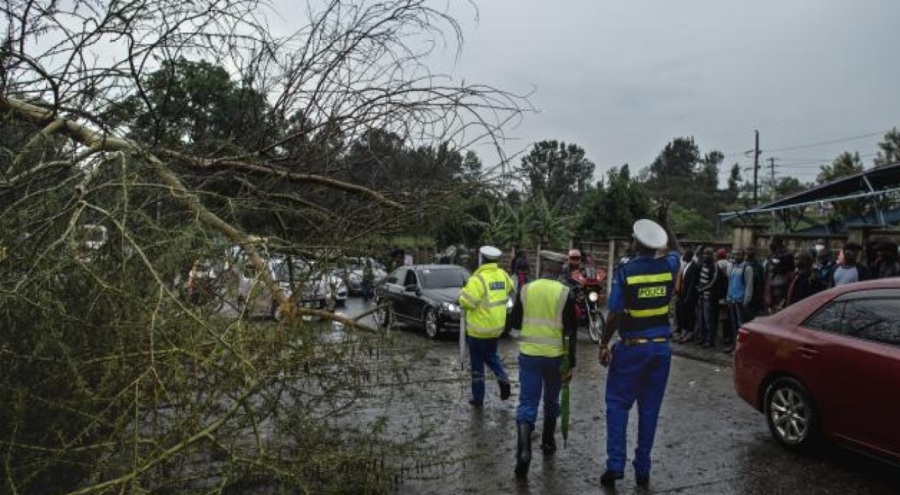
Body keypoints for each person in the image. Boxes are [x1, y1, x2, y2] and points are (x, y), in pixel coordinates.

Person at [598, 208, 681, 489]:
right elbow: (678, 252)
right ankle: (642, 470)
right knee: (649, 410)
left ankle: (615, 466)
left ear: (635, 243)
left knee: (618, 405)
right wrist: (665, 224)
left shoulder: (627, 271)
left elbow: (614, 313)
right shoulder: (668, 265)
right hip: (661, 349)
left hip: (632, 348)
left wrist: (603, 342)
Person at [508, 250, 577, 479]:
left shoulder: (527, 289)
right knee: (551, 401)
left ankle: (524, 453)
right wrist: (571, 363)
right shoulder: (566, 292)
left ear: (543, 267)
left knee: (527, 403)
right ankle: (548, 443)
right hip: (556, 357)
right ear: (560, 271)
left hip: (530, 355)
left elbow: (515, 321)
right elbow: (571, 331)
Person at [458, 245, 515, 407]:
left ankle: (478, 398)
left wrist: (462, 292)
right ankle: (502, 377)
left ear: (481, 259)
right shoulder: (503, 275)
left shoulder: (478, 279)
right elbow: (510, 288)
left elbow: (466, 302)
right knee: (491, 356)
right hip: (496, 328)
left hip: (478, 330)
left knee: (477, 365)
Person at [724, 248, 753, 354]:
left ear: (743, 255)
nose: (735, 256)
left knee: (741, 325)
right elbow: (730, 283)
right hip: (732, 299)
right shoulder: (733, 267)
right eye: (734, 254)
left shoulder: (747, 268)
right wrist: (728, 297)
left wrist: (746, 301)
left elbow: (749, 286)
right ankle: (734, 345)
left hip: (740, 300)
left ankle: (740, 348)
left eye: (737, 255)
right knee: (734, 325)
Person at [764, 236, 795, 313]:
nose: (769, 243)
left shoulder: (786, 254)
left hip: (782, 281)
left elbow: (777, 263)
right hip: (773, 282)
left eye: (771, 241)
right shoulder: (772, 254)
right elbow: (769, 265)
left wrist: (773, 262)